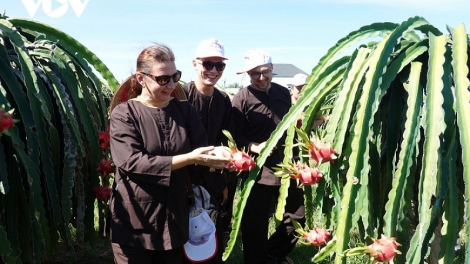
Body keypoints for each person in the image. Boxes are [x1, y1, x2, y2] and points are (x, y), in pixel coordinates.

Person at [108, 43, 232, 264]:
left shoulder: (184, 110)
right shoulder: (125, 113)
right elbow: (132, 162)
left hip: (174, 217)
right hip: (134, 219)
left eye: (175, 77)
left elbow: (201, 147)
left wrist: (221, 155)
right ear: (140, 78)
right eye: (163, 79)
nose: (171, 85)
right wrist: (190, 158)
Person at [232, 49, 305, 264]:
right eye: (255, 73)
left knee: (297, 215)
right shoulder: (241, 99)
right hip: (258, 170)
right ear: (248, 74)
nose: (261, 77)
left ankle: (275, 253)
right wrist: (254, 147)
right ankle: (256, 260)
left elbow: (290, 123)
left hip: (287, 165)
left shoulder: (283, 93)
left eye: (265, 72)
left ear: (272, 70)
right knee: (255, 222)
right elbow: (234, 134)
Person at [183, 38, 235, 263]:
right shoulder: (180, 96)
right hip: (183, 177)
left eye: (219, 65)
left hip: (212, 178)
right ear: (195, 63)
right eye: (207, 64)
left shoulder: (223, 99)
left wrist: (223, 182)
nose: (214, 70)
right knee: (184, 238)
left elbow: (225, 142)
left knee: (211, 236)